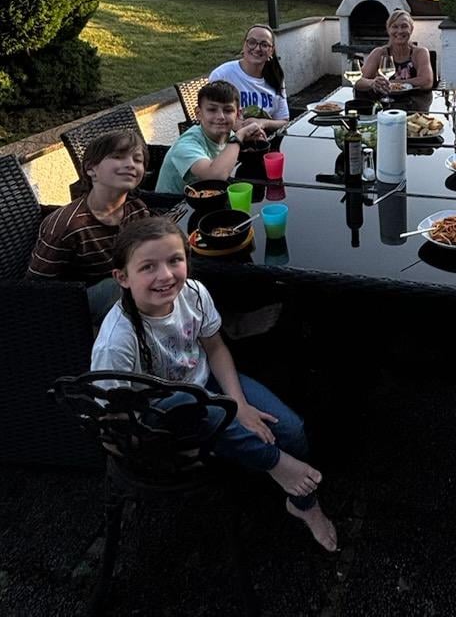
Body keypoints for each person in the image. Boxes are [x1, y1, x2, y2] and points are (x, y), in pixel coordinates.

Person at [91, 216, 337, 552]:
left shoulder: (194, 293)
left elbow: (215, 347)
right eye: (148, 267)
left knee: (292, 429)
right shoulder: (117, 341)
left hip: (204, 383)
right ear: (122, 277)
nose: (165, 275)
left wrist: (239, 405)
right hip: (158, 416)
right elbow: (112, 413)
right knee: (184, 403)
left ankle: (302, 504)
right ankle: (275, 464)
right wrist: (167, 442)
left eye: (174, 261)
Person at [27, 130, 150, 323]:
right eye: (118, 157)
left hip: (126, 287)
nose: (130, 164)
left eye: (137, 160)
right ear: (91, 169)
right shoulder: (67, 226)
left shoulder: (136, 210)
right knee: (120, 287)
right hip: (76, 304)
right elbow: (36, 288)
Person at [155, 80, 266, 196]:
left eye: (228, 110)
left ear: (238, 114)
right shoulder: (186, 144)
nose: (220, 117)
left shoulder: (228, 135)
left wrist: (253, 141)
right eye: (212, 110)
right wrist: (239, 138)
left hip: (207, 198)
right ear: (198, 113)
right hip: (173, 208)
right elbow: (215, 177)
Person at [209, 24, 289, 133]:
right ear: (244, 45)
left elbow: (284, 121)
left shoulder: (276, 77)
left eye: (264, 45)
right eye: (252, 42)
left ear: (271, 51)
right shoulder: (223, 75)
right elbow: (211, 116)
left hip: (266, 140)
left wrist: (263, 123)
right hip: (229, 140)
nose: (257, 48)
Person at [357, 9, 434, 94]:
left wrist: (391, 83)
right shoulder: (379, 53)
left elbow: (427, 82)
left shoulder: (420, 53)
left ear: (411, 29)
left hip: (414, 104)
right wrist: (372, 83)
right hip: (385, 104)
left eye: (404, 26)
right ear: (388, 30)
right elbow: (358, 81)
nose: (400, 31)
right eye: (395, 27)